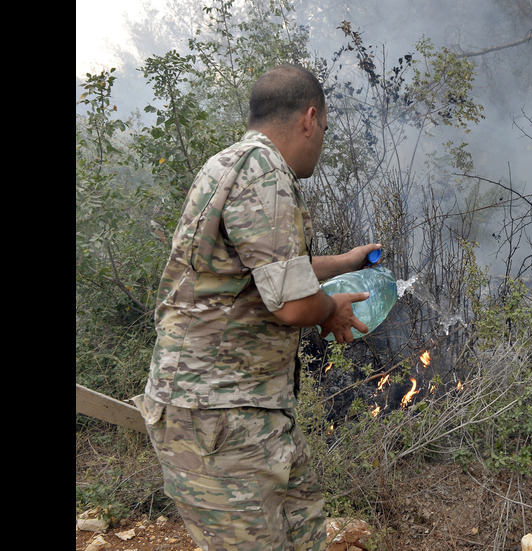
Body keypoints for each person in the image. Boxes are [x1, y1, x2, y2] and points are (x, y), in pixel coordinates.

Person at [132, 63, 379, 551]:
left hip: (251, 412)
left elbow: (271, 268)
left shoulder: (232, 163)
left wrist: (343, 262)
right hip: (218, 417)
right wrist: (331, 310)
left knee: (302, 530)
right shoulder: (264, 172)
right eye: (324, 129)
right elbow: (291, 303)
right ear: (309, 118)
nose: (322, 142)